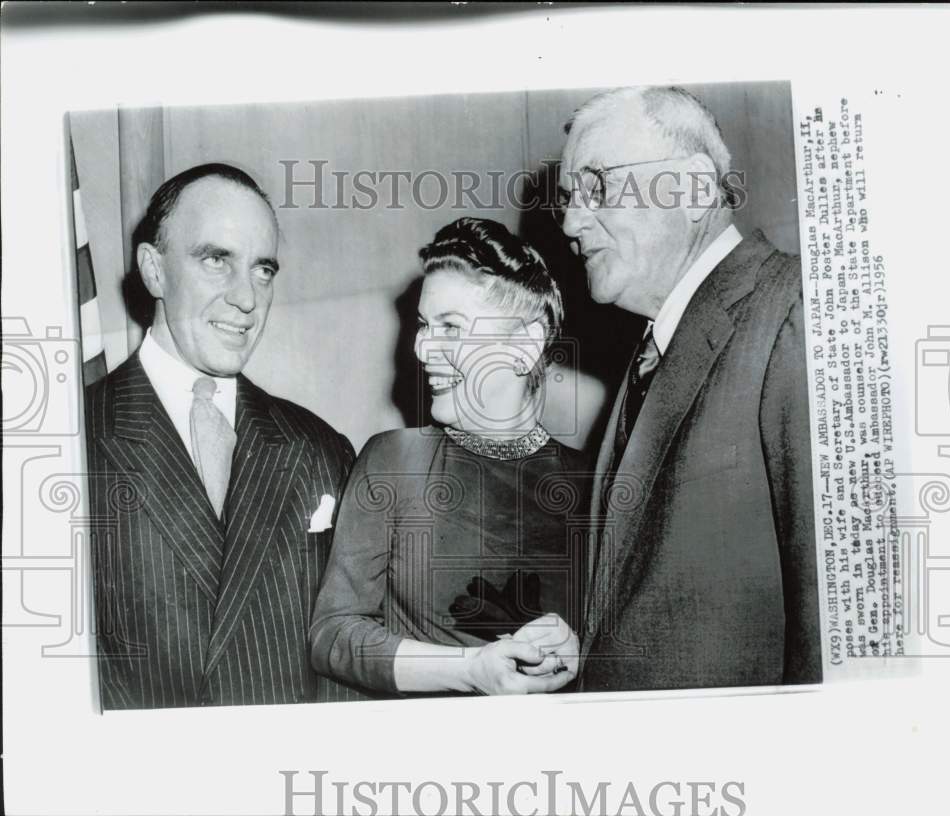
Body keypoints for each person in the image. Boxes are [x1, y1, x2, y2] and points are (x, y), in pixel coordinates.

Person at [556, 86, 822, 691]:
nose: (572, 222)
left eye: (597, 186)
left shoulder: (794, 311)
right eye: (568, 200)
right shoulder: (650, 353)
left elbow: (832, 623)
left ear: (695, 187)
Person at [85, 163, 357, 709]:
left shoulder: (323, 449)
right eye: (217, 260)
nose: (247, 299)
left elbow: (348, 662)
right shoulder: (70, 440)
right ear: (154, 271)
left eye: (263, 270)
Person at [310, 217, 588, 696]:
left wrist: (576, 648)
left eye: (450, 328)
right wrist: (468, 668)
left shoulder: (592, 482)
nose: (422, 349)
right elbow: (332, 635)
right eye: (423, 325)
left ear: (526, 345)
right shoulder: (394, 461)